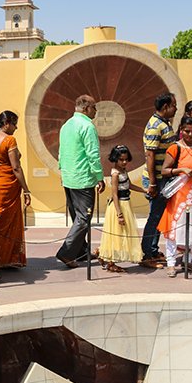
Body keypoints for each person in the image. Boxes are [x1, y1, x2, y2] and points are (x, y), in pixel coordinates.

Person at [157, 116, 192, 278]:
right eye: (186, 131)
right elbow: (165, 170)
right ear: (181, 130)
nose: (190, 134)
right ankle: (170, 263)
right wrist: (181, 169)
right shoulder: (175, 148)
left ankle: (187, 260)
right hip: (180, 196)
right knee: (175, 228)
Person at [55, 95, 105, 268]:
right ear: (85, 108)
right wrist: (99, 177)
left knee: (77, 216)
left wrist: (63, 173)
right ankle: (66, 253)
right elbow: (93, 154)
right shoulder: (87, 126)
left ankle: (81, 251)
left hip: (69, 178)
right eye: (94, 107)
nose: (96, 111)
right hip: (83, 179)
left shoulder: (66, 125)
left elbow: (61, 152)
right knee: (83, 218)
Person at [0, 110, 30, 269]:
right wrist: (26, 190)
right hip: (7, 187)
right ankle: (3, 259)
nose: (16, 127)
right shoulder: (9, 140)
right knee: (7, 223)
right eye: (14, 124)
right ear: (6, 123)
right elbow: (16, 168)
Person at [140, 92, 178, 269]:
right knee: (154, 217)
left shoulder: (165, 124)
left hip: (163, 179)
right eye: (174, 105)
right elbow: (150, 155)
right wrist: (153, 183)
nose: (176, 108)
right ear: (165, 107)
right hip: (157, 180)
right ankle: (147, 254)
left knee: (159, 216)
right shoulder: (156, 125)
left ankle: (153, 251)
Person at [98, 145, 145, 273]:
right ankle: (110, 261)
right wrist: (119, 214)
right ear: (115, 159)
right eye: (121, 160)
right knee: (117, 234)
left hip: (126, 203)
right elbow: (115, 194)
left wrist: (144, 190)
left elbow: (129, 185)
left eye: (126, 159)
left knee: (124, 233)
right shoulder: (115, 174)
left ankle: (101, 253)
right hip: (118, 206)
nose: (124, 162)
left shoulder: (124, 171)